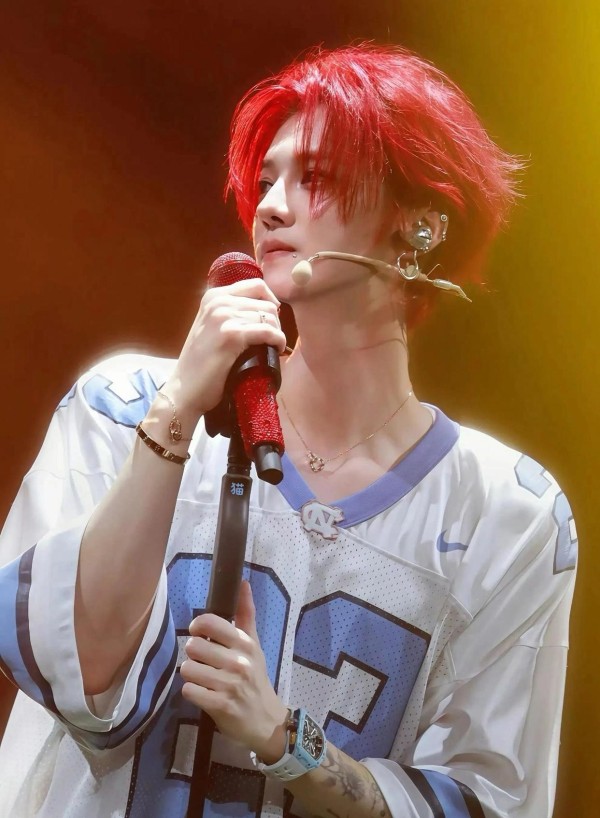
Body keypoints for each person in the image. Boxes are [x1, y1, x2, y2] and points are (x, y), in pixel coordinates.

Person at [0, 44, 577, 818]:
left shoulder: (509, 514)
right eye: (266, 180)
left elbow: (489, 799)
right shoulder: (125, 406)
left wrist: (285, 741)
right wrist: (174, 415)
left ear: (421, 225)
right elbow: (78, 674)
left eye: (316, 178)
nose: (270, 206)